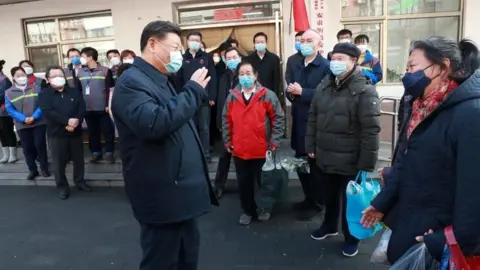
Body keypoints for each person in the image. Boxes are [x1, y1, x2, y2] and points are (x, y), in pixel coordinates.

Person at [361, 37, 480, 265]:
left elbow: (474, 194)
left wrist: (445, 242)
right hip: (410, 221)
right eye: (406, 69)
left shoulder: (470, 114)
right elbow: (405, 162)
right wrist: (382, 202)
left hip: (437, 241)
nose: (407, 75)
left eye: (413, 67)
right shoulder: (421, 106)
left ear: (442, 67)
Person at [112, 20, 218, 270]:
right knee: (162, 261)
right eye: (174, 47)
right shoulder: (131, 83)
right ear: (152, 44)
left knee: (185, 257)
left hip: (178, 194)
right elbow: (154, 123)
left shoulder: (160, 79)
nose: (179, 54)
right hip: (162, 195)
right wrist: (192, 91)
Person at [305, 42, 380, 257]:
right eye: (333, 58)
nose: (335, 63)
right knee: (329, 196)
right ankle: (329, 225)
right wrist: (310, 145)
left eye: (341, 59)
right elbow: (313, 118)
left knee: (351, 201)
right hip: (325, 155)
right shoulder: (324, 85)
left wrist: (366, 163)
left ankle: (351, 237)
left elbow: (370, 130)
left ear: (353, 62)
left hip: (351, 159)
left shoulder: (364, 89)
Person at [222, 60, 284, 225]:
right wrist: (228, 142)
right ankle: (247, 210)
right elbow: (226, 121)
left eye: (248, 73)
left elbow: (278, 118)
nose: (245, 77)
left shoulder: (267, 95)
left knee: (264, 182)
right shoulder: (232, 97)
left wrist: (275, 141)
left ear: (256, 75)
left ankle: (264, 208)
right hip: (240, 149)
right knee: (244, 183)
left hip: (262, 148)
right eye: (241, 74)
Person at [286, 29, 330, 221]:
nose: (304, 43)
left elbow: (327, 96)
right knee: (301, 163)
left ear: (319, 44)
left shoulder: (326, 66)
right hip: (298, 122)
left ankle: (318, 203)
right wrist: (290, 92)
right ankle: (308, 197)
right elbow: (291, 91)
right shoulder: (297, 64)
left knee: (315, 168)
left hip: (315, 126)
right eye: (302, 40)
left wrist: (302, 92)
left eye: (309, 40)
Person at [39, 66, 91, 200]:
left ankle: (79, 181)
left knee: (79, 160)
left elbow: (82, 108)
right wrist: (67, 122)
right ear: (48, 79)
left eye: (60, 75)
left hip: (75, 131)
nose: (58, 78)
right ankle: (62, 186)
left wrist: (76, 121)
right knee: (58, 163)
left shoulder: (74, 92)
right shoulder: (44, 94)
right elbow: (48, 112)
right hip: (57, 133)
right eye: (54, 75)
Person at [175, 31, 217, 162]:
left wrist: (212, 96)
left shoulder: (206, 57)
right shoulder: (181, 58)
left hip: (204, 99)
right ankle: (192, 153)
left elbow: (213, 77)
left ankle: (206, 153)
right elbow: (178, 80)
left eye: (198, 40)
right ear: (187, 42)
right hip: (187, 99)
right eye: (192, 40)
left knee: (204, 127)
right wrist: (180, 96)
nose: (195, 42)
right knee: (190, 127)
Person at [5, 66, 50, 180]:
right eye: (18, 76)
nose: (21, 78)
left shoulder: (36, 87)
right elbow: (10, 109)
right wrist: (23, 119)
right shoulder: (9, 92)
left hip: (39, 122)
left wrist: (34, 116)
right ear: (13, 78)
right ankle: (33, 170)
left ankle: (44, 168)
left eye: (23, 75)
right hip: (22, 125)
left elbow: (42, 104)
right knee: (27, 148)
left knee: (40, 145)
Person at [78, 47, 116, 163]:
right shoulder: (80, 72)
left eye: (82, 56)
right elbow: (78, 91)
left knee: (107, 130)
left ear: (90, 58)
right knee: (92, 132)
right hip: (87, 108)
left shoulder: (105, 71)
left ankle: (109, 152)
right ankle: (96, 152)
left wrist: (108, 105)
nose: (81, 59)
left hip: (103, 108)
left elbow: (110, 89)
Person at [213, 47, 241, 198]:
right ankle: (218, 186)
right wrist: (219, 122)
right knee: (224, 156)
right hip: (226, 123)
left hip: (241, 123)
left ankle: (244, 186)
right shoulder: (223, 77)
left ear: (240, 57)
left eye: (234, 57)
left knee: (241, 158)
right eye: (228, 58)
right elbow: (219, 102)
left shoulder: (245, 76)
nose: (231, 60)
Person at [246, 32, 282, 104]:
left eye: (262, 42)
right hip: (254, 97)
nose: (260, 44)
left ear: (266, 43)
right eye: (257, 42)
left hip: (270, 96)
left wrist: (276, 97)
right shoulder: (248, 59)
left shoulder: (274, 59)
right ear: (254, 44)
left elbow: (277, 80)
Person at [0, 59, 17, 163]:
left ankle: (13, 154)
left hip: (4, 111)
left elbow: (5, 95)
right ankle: (5, 155)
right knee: (1, 133)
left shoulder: (4, 80)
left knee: (8, 131)